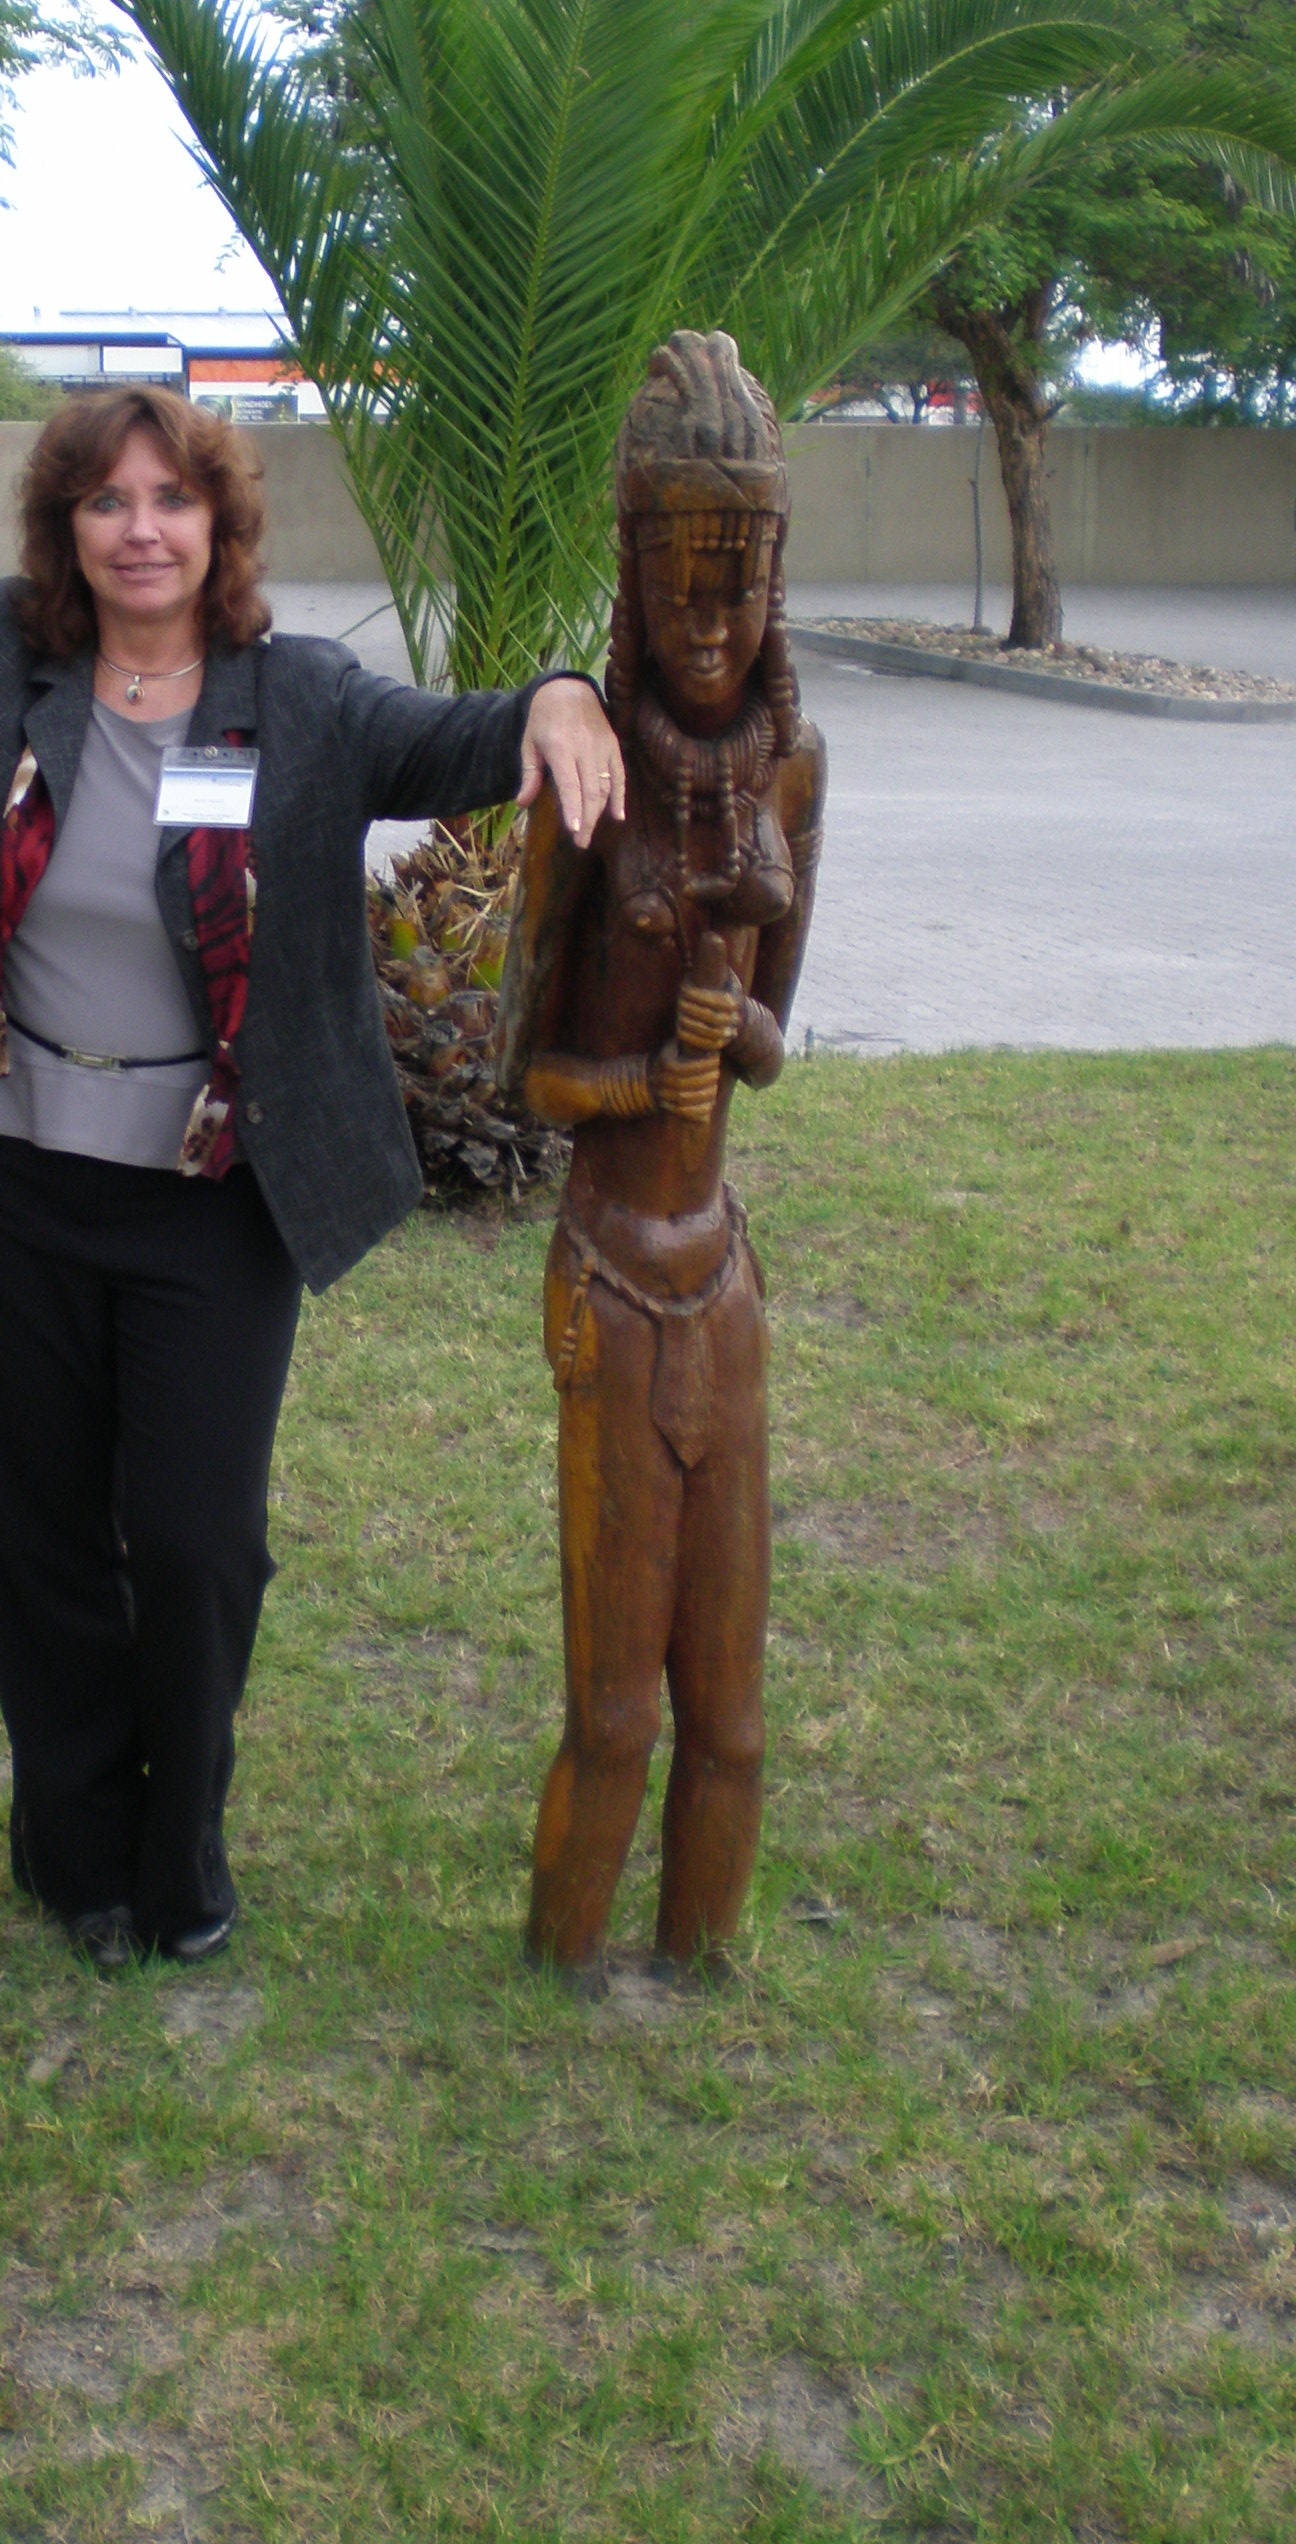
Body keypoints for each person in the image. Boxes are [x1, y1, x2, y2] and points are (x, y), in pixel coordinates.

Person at [0, 385, 624, 1971]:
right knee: (43, 1532)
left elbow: (466, 734)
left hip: (211, 1191)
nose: (139, 530)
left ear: (219, 526)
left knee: (194, 1542)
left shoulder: (299, 700)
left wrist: (567, 694)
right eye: (106, 501)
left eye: (171, 500)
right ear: (65, 526)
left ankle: (180, 1843)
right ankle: (74, 1856)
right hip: (8, 1180)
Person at [495, 330, 824, 1983]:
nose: (711, 620)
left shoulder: (793, 776)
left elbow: (776, 1040)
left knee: (735, 1717)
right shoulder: (593, 780)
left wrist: (736, 1020)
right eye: (683, 583)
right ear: (633, 572)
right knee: (619, 1707)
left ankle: (702, 1954)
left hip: (722, 1279)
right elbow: (524, 1070)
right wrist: (639, 1078)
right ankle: (564, 1960)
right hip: (615, 1278)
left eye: (739, 583)